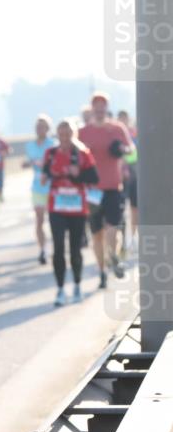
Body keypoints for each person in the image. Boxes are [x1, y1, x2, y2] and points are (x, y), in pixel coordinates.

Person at [77, 92, 134, 289]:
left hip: (112, 187)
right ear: (92, 110)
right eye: (96, 108)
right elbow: (76, 156)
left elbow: (131, 151)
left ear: (106, 108)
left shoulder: (117, 129)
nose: (100, 111)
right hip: (92, 191)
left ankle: (113, 256)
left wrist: (121, 149)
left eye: (103, 108)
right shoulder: (83, 132)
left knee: (112, 228)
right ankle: (101, 271)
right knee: (97, 235)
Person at [42, 120, 99, 306]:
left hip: (77, 208)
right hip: (57, 208)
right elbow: (44, 176)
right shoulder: (50, 154)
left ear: (73, 135)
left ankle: (77, 284)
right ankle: (60, 289)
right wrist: (45, 176)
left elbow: (94, 178)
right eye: (61, 135)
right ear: (57, 135)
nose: (65, 138)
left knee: (75, 249)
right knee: (58, 248)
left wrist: (78, 174)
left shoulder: (83, 154)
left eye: (68, 134)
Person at [23, 115, 57, 265]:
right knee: (39, 220)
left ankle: (57, 248)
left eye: (43, 127)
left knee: (54, 221)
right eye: (37, 127)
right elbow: (27, 161)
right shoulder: (30, 145)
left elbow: (57, 162)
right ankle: (43, 250)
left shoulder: (53, 144)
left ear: (48, 129)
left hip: (52, 187)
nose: (40, 130)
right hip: (37, 187)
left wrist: (45, 164)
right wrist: (29, 163)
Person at [116, 110, 139, 255]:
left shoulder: (134, 134)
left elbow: (134, 154)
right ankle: (123, 239)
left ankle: (134, 236)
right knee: (121, 209)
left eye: (125, 118)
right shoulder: (115, 134)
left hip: (134, 175)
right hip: (119, 177)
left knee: (135, 208)